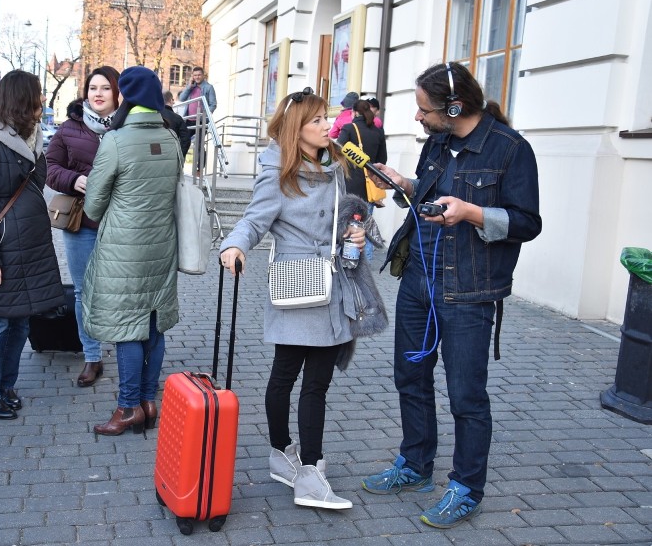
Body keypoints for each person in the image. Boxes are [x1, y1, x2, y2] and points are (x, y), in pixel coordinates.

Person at [360, 62, 542, 528]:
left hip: (470, 291)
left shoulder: (510, 150)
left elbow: (527, 223)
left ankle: (466, 487)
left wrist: (473, 213)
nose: (418, 117)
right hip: (419, 278)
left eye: (423, 109)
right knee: (410, 377)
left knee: (466, 396)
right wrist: (403, 184)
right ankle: (416, 465)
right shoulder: (438, 143)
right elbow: (430, 194)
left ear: (454, 107)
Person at [219, 87, 371, 511]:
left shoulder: (336, 166)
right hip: (297, 282)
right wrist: (234, 247)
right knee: (288, 376)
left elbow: (349, 214)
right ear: (296, 129)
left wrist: (355, 232)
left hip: (332, 282)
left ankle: (294, 461)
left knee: (314, 382)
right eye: (318, 120)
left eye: (328, 118)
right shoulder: (278, 173)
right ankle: (302, 468)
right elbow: (253, 219)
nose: (329, 126)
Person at [82, 66, 182, 436]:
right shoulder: (171, 137)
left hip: (124, 250)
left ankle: (127, 409)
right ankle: (148, 402)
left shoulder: (117, 140)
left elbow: (93, 206)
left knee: (127, 327)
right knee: (154, 325)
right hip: (162, 245)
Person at [0, 70, 66, 420]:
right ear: (23, 100)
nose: (41, 104)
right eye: (37, 97)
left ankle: (6, 386)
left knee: (20, 324)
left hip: (30, 248)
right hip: (3, 249)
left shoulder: (30, 139)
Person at [45, 65, 120, 388]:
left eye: (105, 88)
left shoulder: (129, 126)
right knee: (83, 292)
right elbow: (49, 169)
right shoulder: (70, 128)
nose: (98, 94)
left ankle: (127, 349)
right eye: (93, 88)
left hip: (121, 224)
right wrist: (74, 179)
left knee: (118, 291)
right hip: (83, 222)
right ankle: (92, 356)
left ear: (117, 93)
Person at [337, 99, 389, 259]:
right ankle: (365, 261)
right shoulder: (378, 132)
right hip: (369, 184)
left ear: (354, 112)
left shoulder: (349, 129)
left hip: (350, 182)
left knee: (347, 223)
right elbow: (382, 159)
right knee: (365, 223)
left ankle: (348, 257)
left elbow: (337, 151)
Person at [178, 66, 217, 172]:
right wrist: (189, 86)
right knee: (183, 142)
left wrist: (205, 114)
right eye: (195, 75)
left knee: (199, 145)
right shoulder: (191, 87)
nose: (197, 77)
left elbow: (213, 104)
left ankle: (199, 170)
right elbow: (181, 98)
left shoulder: (209, 87)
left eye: (199, 75)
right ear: (192, 76)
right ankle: (179, 166)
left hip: (201, 120)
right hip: (189, 120)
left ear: (203, 75)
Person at [162, 90, 191, 158]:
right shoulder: (177, 118)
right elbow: (186, 140)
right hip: (172, 156)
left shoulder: (153, 116)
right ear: (171, 100)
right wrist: (180, 156)